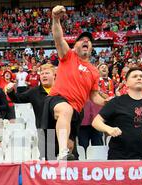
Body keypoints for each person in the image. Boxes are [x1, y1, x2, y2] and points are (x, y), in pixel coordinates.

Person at [43, 5, 108, 160]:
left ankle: (65, 155)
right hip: (58, 100)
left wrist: (106, 101)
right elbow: (58, 38)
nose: (86, 41)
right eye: (82, 40)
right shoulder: (69, 55)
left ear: (91, 48)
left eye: (89, 41)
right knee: (63, 116)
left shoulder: (94, 71)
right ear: (75, 45)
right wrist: (55, 19)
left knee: (72, 147)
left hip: (76, 110)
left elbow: (94, 97)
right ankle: (61, 152)